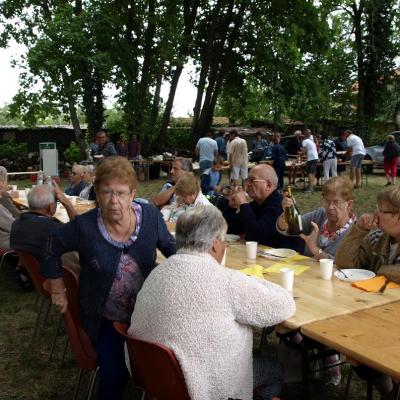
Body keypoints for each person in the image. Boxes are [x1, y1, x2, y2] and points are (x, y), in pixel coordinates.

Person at [41, 156, 176, 400]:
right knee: (113, 376)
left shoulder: (151, 218)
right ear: (97, 193)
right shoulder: (85, 226)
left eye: (121, 193)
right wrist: (57, 287)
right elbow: (51, 246)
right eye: (106, 192)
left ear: (133, 194)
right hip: (105, 318)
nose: (114, 201)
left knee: (172, 365)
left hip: (146, 314)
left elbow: (173, 251)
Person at [128, 206, 296, 400]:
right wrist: (251, 280)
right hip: (201, 384)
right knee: (274, 370)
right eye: (224, 241)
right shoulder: (226, 281)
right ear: (215, 243)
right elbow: (284, 305)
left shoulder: (157, 273)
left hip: (155, 375)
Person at [336, 185, 400, 399]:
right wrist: (358, 231)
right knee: (355, 352)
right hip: (376, 316)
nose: (375, 214)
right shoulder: (379, 238)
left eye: (381, 210)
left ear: (398, 217)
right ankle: (387, 391)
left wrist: (381, 271)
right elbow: (344, 264)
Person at [223, 164, 303, 251]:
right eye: (247, 180)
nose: (247, 184)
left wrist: (243, 203)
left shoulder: (280, 205)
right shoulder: (255, 204)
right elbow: (230, 230)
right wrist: (232, 207)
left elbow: (257, 236)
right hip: (266, 256)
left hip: (288, 260)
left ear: (268, 185)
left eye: (252, 180)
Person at [277, 176, 355, 260]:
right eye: (327, 201)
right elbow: (291, 227)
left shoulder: (355, 232)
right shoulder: (319, 215)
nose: (330, 207)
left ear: (349, 204)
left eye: (336, 202)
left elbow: (346, 267)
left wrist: (315, 249)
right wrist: (287, 215)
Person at [10, 183, 80, 274]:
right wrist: (66, 203)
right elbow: (82, 231)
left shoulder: (16, 223)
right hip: (64, 278)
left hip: (35, 274)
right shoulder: (55, 230)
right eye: (56, 201)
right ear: (51, 207)